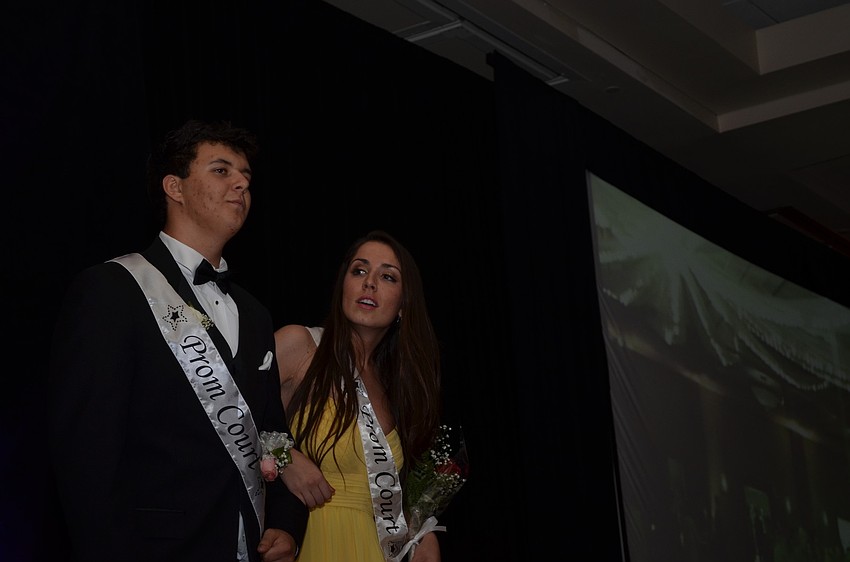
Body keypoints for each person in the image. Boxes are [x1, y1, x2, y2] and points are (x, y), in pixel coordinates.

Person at [48, 119, 309, 562]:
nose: (241, 184)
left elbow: (269, 430)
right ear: (175, 187)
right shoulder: (112, 289)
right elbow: (86, 455)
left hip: (248, 544)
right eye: (222, 171)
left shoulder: (256, 313)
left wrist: (286, 522)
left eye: (246, 177)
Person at [274, 230, 443, 562]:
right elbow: (226, 416)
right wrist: (282, 459)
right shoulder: (300, 346)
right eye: (360, 271)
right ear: (343, 286)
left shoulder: (397, 387)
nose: (370, 283)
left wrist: (424, 530)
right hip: (313, 540)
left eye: (388, 277)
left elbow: (396, 491)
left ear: (403, 307)